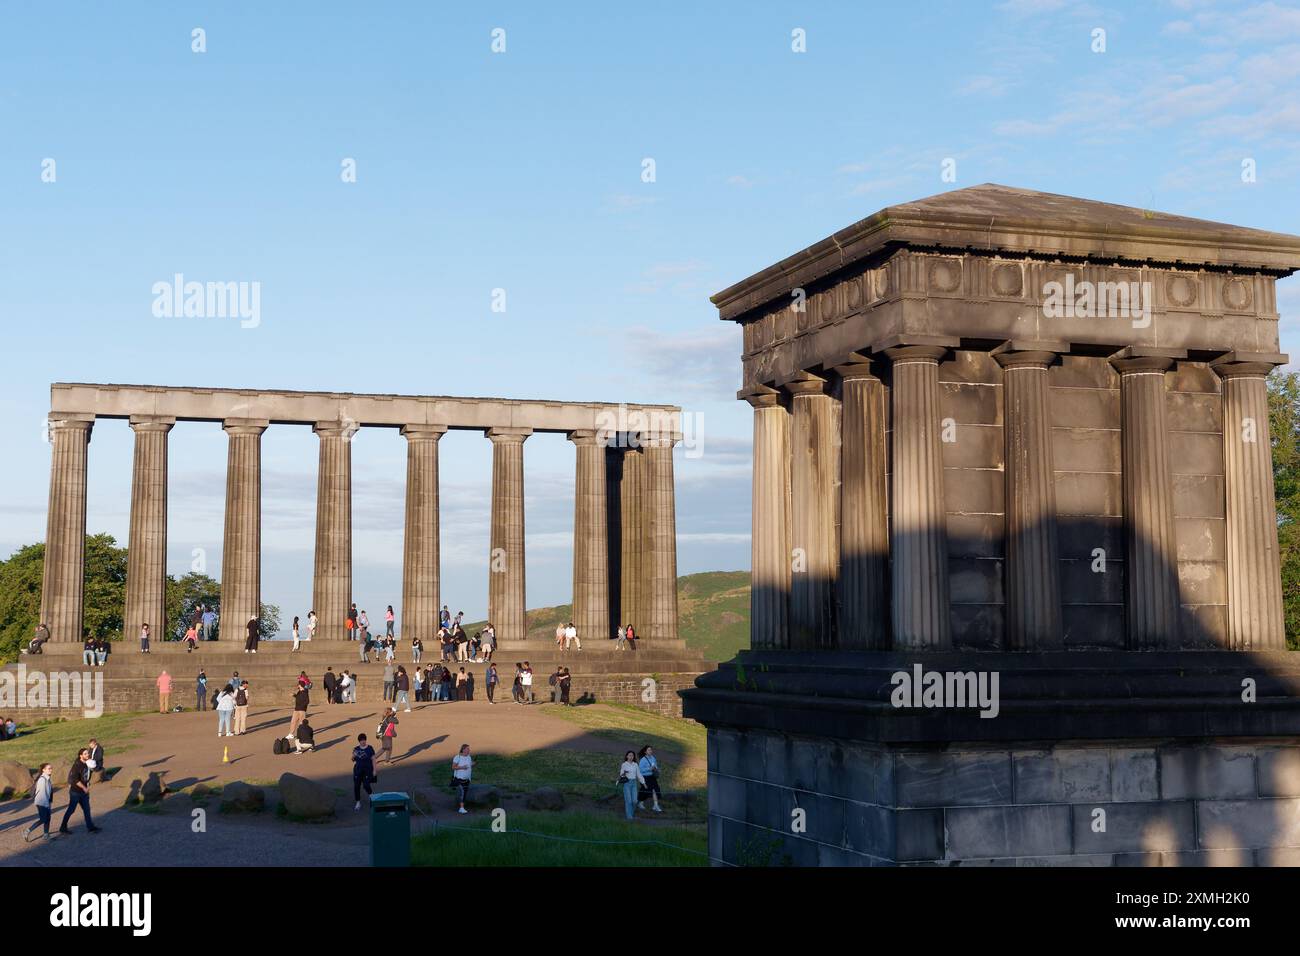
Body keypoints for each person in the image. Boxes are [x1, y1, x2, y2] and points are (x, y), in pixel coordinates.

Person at [59, 748, 100, 834]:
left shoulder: (87, 763)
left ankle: (90, 827)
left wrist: (87, 785)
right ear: (81, 755)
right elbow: (75, 780)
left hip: (84, 793)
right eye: (85, 754)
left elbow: (88, 774)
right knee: (71, 810)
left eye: (87, 753)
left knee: (87, 809)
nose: (87, 755)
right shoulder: (77, 765)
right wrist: (84, 788)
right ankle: (63, 827)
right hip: (75, 792)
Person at [25, 763, 54, 842]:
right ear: (43, 770)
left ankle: (46, 835)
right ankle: (27, 831)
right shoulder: (42, 780)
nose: (51, 770)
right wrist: (47, 804)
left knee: (48, 819)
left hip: (46, 802)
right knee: (43, 819)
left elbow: (49, 792)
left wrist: (50, 802)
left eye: (51, 768)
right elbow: (42, 794)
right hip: (42, 803)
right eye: (49, 768)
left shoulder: (47, 778)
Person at [618, 750, 646, 821]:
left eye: (632, 756)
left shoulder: (635, 764)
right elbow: (621, 774)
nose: (631, 757)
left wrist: (643, 783)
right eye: (629, 755)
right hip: (627, 783)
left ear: (634, 757)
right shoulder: (624, 764)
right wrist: (624, 773)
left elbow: (639, 774)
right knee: (629, 801)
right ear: (627, 756)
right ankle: (629, 817)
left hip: (634, 783)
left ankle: (631, 815)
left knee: (635, 801)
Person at [352, 733, 377, 809]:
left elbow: (373, 759)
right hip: (358, 770)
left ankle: (371, 796)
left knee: (366, 785)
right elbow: (352, 759)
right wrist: (353, 756)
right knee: (356, 786)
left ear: (365, 740)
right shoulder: (356, 749)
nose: (363, 742)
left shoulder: (370, 748)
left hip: (367, 770)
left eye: (364, 740)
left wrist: (375, 770)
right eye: (361, 740)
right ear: (359, 741)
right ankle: (358, 802)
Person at [638, 745, 663, 812]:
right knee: (645, 790)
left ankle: (655, 805)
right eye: (649, 750)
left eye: (651, 750)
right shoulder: (643, 760)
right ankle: (640, 802)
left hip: (652, 777)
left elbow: (655, 766)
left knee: (655, 789)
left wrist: (657, 769)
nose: (650, 751)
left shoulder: (653, 758)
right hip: (645, 777)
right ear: (645, 752)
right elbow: (640, 770)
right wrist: (649, 769)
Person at [451, 744, 473, 814]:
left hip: (467, 779)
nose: (469, 750)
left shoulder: (469, 757)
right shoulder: (457, 757)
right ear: (463, 750)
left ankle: (462, 807)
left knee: (465, 793)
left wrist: (473, 764)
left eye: (469, 749)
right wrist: (462, 767)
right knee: (463, 793)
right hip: (459, 779)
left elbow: (469, 765)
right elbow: (453, 767)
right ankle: (461, 808)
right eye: (467, 749)